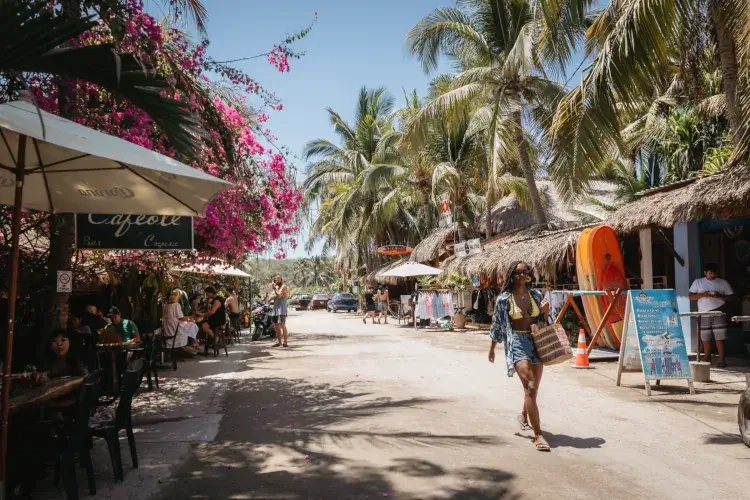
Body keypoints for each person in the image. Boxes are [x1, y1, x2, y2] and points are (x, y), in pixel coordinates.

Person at [488, 261, 550, 452]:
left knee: (534, 388)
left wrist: (546, 312)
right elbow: (497, 325)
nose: (522, 276)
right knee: (530, 385)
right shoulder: (504, 299)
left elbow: (544, 321)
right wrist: (492, 348)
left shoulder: (537, 295)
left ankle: (524, 414)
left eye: (525, 272)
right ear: (511, 275)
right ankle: (538, 435)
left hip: (536, 341)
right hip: (517, 341)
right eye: (517, 272)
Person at [689, 263, 734, 367]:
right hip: (703, 312)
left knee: (720, 337)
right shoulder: (698, 282)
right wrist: (703, 295)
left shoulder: (723, 282)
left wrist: (718, 295)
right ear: (705, 273)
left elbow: (732, 297)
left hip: (718, 312)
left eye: (715, 273)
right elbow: (690, 297)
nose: (713, 275)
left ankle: (722, 359)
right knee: (705, 337)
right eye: (710, 273)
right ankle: (707, 357)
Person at [163, 290, 200, 355]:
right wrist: (189, 319)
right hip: (175, 329)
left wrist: (189, 318)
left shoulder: (165, 305)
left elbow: (177, 317)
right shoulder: (176, 305)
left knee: (190, 325)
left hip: (168, 328)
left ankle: (194, 343)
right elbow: (180, 317)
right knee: (192, 325)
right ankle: (194, 343)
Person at [271, 275, 289, 347]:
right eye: (276, 280)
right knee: (276, 326)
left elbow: (278, 296)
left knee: (282, 325)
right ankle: (279, 342)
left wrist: (275, 291)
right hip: (275, 310)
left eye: (279, 280)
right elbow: (271, 297)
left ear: (282, 280)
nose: (277, 281)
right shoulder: (276, 288)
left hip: (281, 310)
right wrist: (275, 293)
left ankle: (285, 342)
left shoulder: (284, 287)